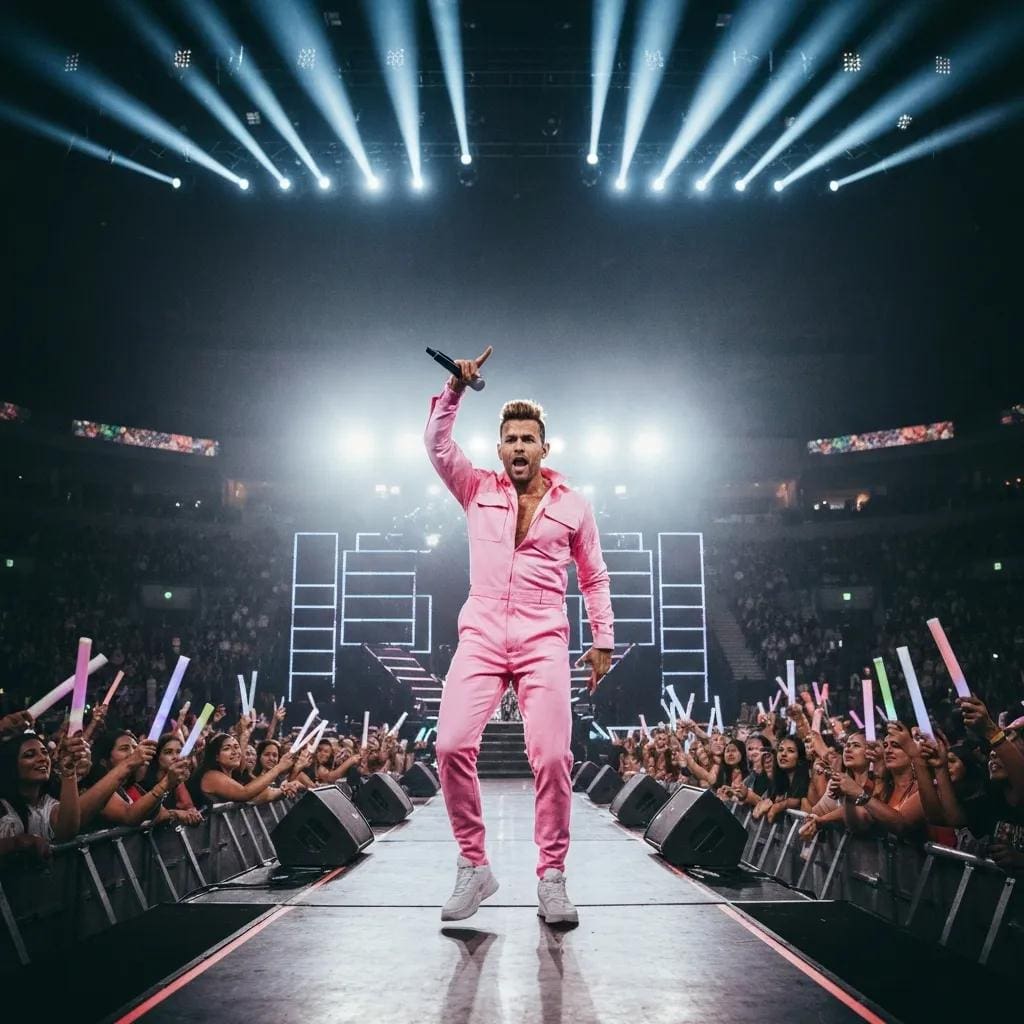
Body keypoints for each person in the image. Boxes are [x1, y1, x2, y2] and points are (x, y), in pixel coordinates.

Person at [424, 345, 614, 925]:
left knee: (553, 756)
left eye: (528, 439)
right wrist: (455, 390)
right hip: (480, 633)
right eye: (510, 439)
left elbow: (593, 574)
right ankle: (474, 865)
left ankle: (552, 877)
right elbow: (436, 445)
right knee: (451, 745)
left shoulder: (574, 505)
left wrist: (602, 637)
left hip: (543, 639)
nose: (518, 447)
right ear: (500, 448)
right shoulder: (475, 487)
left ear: (544, 448)